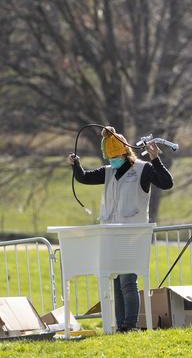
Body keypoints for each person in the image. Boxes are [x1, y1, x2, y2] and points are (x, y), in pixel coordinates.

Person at [67, 126, 173, 332]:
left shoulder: (143, 169)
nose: (112, 160)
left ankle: (129, 325)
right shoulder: (108, 172)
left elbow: (167, 183)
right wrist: (76, 164)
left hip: (133, 235)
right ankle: (121, 326)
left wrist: (155, 159)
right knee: (116, 282)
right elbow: (84, 177)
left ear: (126, 152)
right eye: (109, 157)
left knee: (127, 281)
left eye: (115, 156)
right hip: (111, 235)